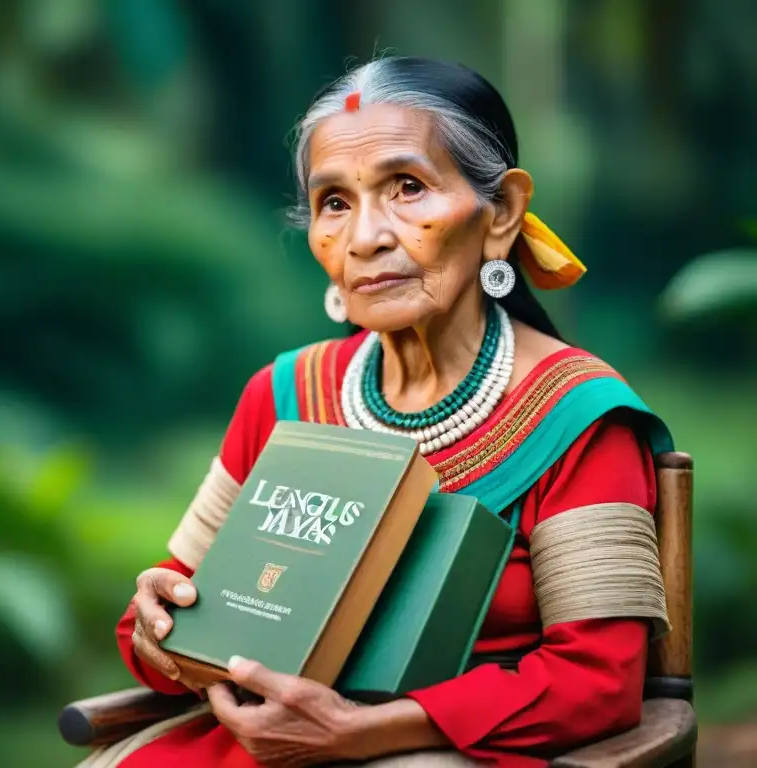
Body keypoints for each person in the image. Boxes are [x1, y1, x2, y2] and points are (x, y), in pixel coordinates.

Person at [88, 56, 675, 768]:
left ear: (504, 213)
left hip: (452, 751)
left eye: (406, 188)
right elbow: (172, 615)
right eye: (334, 202)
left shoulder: (575, 415)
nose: (366, 237)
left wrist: (368, 733)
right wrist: (159, 626)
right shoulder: (282, 395)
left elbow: (599, 682)